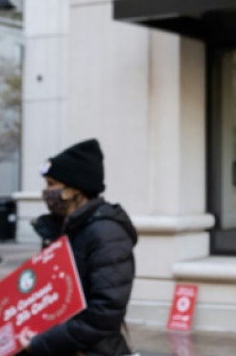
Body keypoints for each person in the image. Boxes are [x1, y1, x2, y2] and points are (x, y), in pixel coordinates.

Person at [24, 139, 138, 356]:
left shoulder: (106, 234)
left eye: (51, 184)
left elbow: (104, 314)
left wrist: (41, 343)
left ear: (74, 189)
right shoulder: (62, 229)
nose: (46, 193)